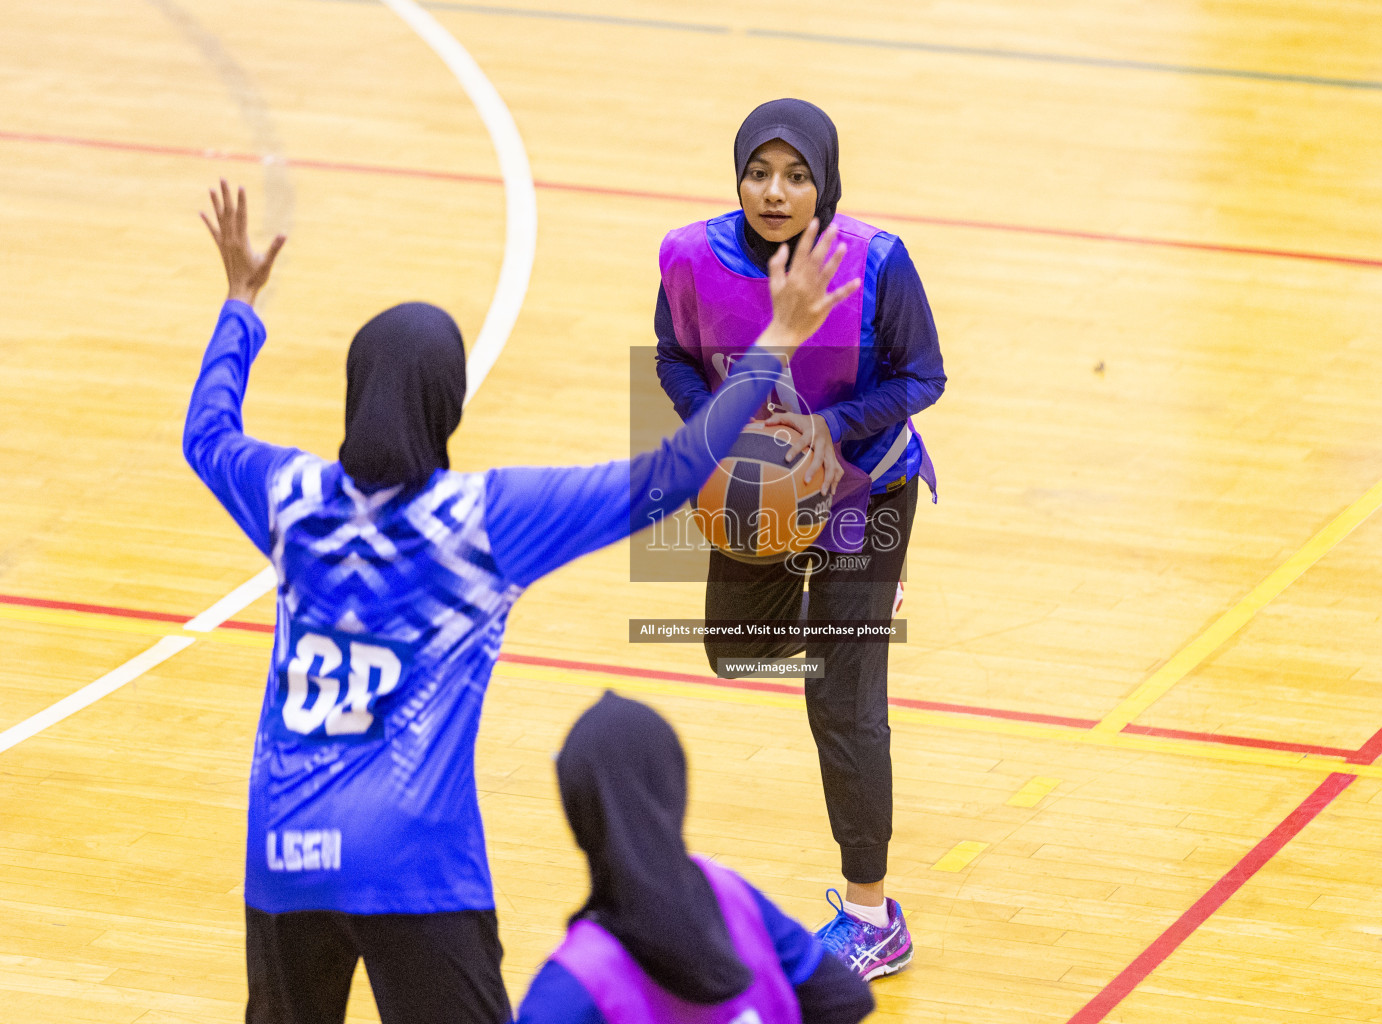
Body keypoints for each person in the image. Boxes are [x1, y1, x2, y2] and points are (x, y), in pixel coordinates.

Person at [183, 180, 858, 1024]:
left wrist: (241, 307)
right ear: (447, 405)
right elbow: (669, 474)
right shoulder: (482, 522)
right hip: (412, 860)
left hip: (283, 846)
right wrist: (775, 342)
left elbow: (206, 435)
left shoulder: (289, 498)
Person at [653, 99, 946, 979]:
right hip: (759, 490)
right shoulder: (690, 257)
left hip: (866, 490)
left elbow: (925, 375)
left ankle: (872, 912)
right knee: (737, 649)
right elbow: (670, 353)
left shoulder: (879, 262)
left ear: (824, 182)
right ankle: (847, 603)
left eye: (796, 175)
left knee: (843, 699)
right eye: (758, 172)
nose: (774, 192)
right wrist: (718, 428)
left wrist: (833, 427)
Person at [516, 692, 876, 1023]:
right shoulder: (731, 894)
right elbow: (846, 997)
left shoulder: (572, 986)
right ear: (677, 790)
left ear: (576, 813)